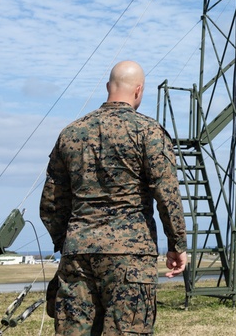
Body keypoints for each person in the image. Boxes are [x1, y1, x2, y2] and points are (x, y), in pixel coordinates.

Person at [40, 60, 187, 335]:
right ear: (138, 90)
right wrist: (176, 244)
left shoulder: (71, 133)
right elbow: (166, 193)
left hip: (78, 252)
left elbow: (51, 202)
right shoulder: (148, 132)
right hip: (130, 258)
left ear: (109, 87)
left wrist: (69, 241)